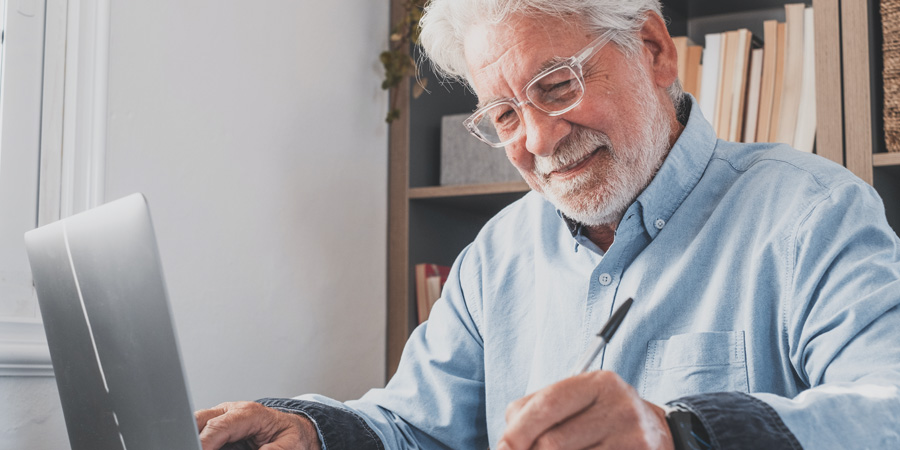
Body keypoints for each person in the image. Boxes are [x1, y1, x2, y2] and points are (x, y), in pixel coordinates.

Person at [196, 0, 900, 449]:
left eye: (557, 85)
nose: (535, 138)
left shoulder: (812, 213)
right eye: (504, 114)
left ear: (653, 49)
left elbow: (887, 413)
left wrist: (682, 435)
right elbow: (416, 426)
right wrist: (315, 432)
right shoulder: (497, 253)